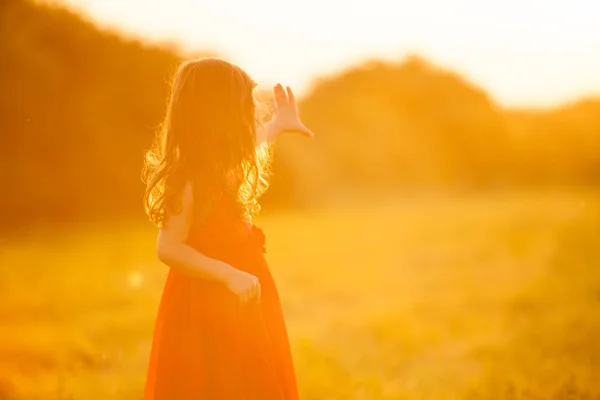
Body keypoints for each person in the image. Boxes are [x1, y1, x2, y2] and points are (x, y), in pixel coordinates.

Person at [142, 57, 313, 399]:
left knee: (253, 381)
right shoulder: (190, 178)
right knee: (218, 384)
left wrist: (279, 125)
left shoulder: (224, 165)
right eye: (247, 106)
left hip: (241, 297)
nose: (255, 115)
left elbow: (254, 142)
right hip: (208, 304)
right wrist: (228, 274)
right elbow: (168, 247)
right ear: (220, 115)